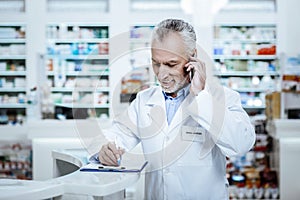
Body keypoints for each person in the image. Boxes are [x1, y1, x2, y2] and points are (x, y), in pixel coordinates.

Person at [92, 19, 255, 199]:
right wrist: (106, 149)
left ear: (192, 57)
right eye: (156, 63)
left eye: (171, 64)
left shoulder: (221, 98)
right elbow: (117, 134)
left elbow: (242, 144)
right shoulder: (144, 100)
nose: (161, 74)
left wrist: (201, 97)